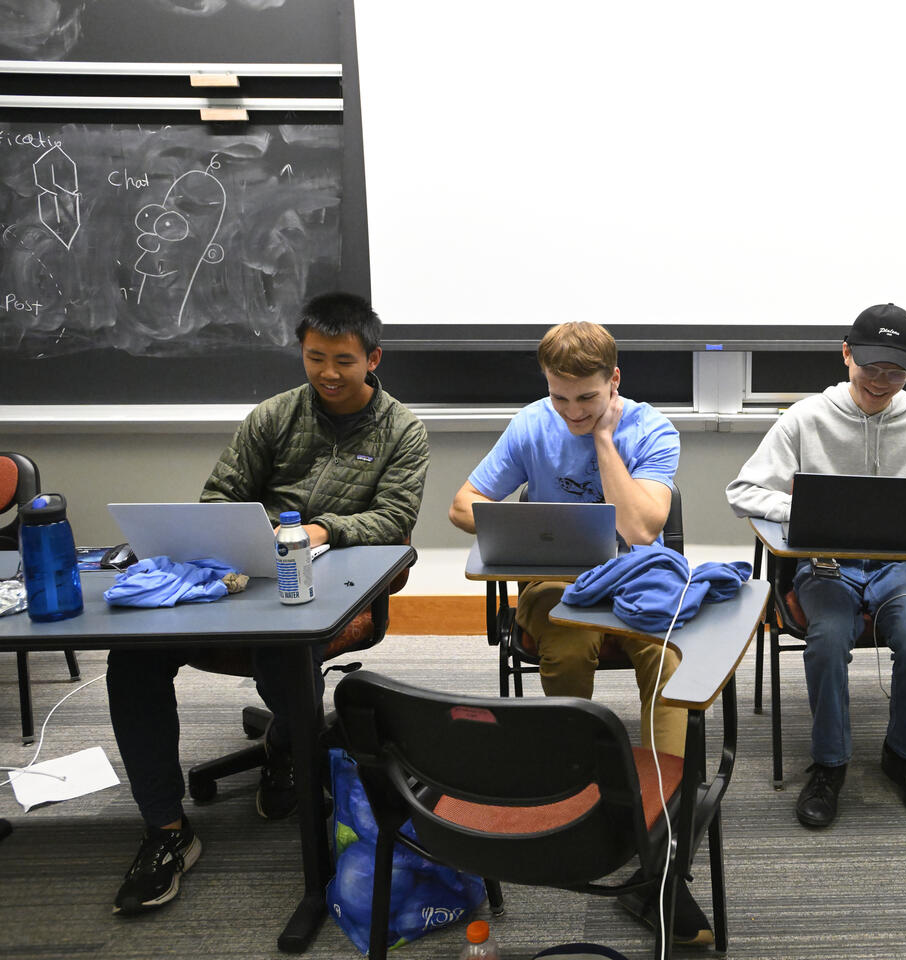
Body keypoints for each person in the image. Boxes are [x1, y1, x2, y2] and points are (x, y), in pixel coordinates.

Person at [106, 292, 430, 915]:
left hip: (332, 584)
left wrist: (324, 530)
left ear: (373, 358)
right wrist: (242, 538)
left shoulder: (401, 430)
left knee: (287, 660)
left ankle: (291, 743)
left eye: (342, 359)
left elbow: (393, 519)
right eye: (314, 357)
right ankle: (167, 830)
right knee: (132, 656)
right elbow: (220, 495)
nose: (327, 373)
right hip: (240, 577)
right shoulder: (273, 415)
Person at [447, 321, 712, 946]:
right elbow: (461, 506)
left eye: (586, 398)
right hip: (554, 587)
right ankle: (583, 784)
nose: (570, 411)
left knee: (668, 655)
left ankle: (661, 835)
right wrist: (531, 528)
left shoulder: (652, 430)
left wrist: (604, 442)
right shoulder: (530, 423)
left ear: (613, 381)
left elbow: (645, 528)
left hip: (637, 582)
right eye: (559, 397)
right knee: (567, 637)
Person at [726, 303, 906, 828]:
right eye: (870, 365)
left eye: (895, 371)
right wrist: (805, 512)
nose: (881, 380)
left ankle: (904, 757)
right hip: (826, 567)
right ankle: (829, 764)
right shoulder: (806, 419)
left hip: (901, 568)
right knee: (828, 639)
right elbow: (742, 491)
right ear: (847, 353)